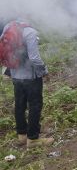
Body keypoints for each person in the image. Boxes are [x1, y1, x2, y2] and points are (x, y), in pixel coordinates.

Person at [1, 20, 54, 148]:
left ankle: (22, 136)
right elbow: (34, 58)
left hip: (15, 75)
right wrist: (44, 71)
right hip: (30, 77)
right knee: (35, 105)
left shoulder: (9, 26)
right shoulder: (30, 32)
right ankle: (33, 139)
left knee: (19, 104)